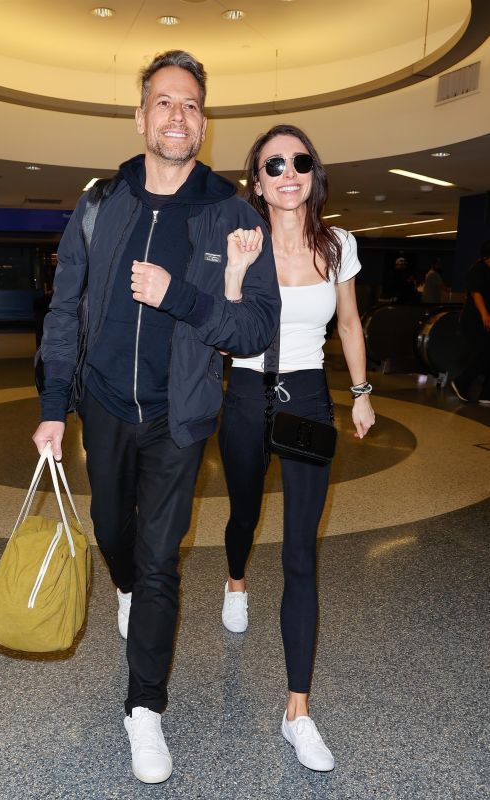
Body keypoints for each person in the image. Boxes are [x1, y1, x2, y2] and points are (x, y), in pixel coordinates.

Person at [32, 50, 280, 785]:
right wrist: (54, 408)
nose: (179, 115)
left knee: (160, 558)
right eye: (165, 102)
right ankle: (128, 591)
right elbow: (65, 309)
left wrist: (181, 295)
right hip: (105, 405)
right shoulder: (102, 203)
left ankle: (146, 708)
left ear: (205, 122)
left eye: (193, 105)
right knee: (114, 535)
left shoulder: (232, 214)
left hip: (180, 417)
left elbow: (255, 329)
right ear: (142, 116)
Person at [218, 124, 375, 772]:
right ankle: (234, 580)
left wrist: (362, 391)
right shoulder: (243, 244)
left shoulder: (339, 245)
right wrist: (232, 273)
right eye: (273, 163)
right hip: (248, 392)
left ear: (314, 174)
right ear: (256, 179)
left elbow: (348, 322)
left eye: (300, 161)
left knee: (302, 554)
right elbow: (226, 338)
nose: (289, 172)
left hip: (308, 396)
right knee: (245, 515)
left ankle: (297, 711)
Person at [451, 240, 490, 405]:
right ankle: (461, 382)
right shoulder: (478, 269)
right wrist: (485, 315)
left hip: (484, 318)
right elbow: (476, 294)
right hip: (476, 319)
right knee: (485, 353)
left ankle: (486, 393)